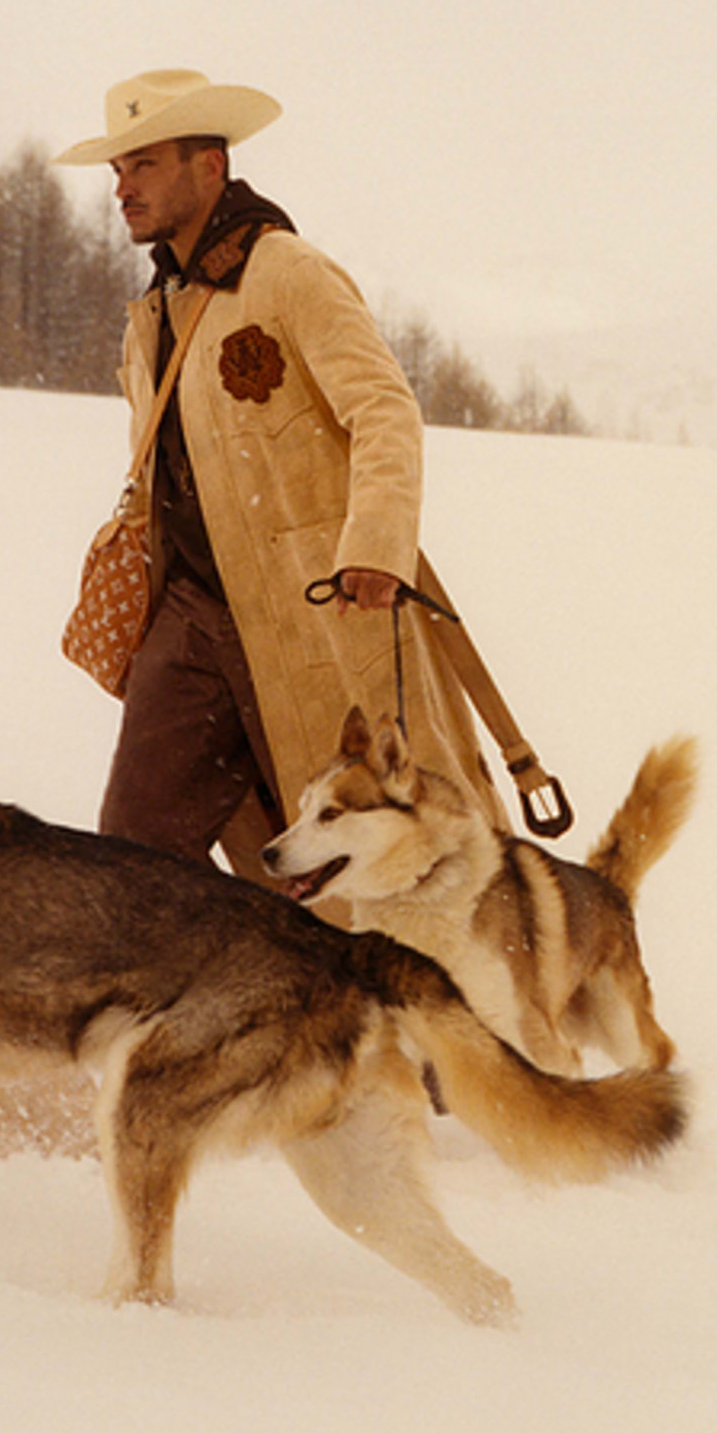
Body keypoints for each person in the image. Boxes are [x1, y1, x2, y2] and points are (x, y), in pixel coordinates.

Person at [56, 69, 490, 877]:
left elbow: (385, 410)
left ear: (210, 166)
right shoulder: (151, 314)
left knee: (373, 853)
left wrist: (377, 543)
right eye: (117, 170)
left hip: (311, 604)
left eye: (144, 164)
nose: (123, 188)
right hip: (189, 615)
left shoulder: (288, 272)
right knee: (136, 842)